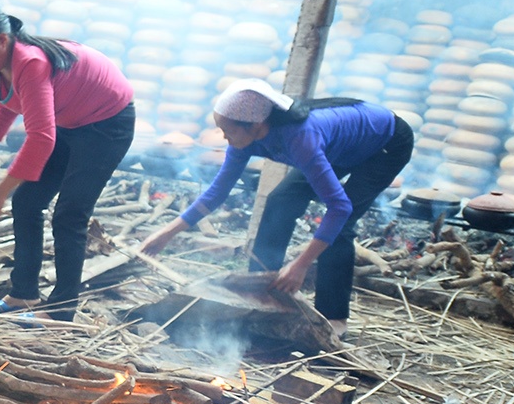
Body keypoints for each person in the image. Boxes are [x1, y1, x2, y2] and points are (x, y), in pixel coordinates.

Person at [140, 81, 413, 330]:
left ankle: (334, 318)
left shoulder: (300, 138)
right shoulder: (245, 137)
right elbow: (216, 192)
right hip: (338, 146)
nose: (224, 137)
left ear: (255, 125)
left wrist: (301, 264)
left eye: (227, 130)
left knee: (342, 227)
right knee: (280, 200)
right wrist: (166, 233)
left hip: (384, 146)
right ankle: (257, 289)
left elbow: (339, 207)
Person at [0, 4, 136, 319]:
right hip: (69, 122)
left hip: (107, 125)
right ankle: (23, 295)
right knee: (27, 203)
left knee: (69, 215)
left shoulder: (30, 62)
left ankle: (60, 312)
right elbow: (8, 105)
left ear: (2, 41)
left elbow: (41, 139)